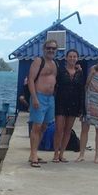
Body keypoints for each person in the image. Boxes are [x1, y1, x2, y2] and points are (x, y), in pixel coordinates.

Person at [27, 39, 58, 167]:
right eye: (48, 48)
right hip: (39, 97)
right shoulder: (38, 61)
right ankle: (34, 155)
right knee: (37, 126)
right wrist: (34, 97)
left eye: (53, 48)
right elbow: (30, 80)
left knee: (44, 127)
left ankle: (33, 154)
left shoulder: (55, 63)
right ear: (44, 49)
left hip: (50, 99)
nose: (51, 50)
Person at [52, 49, 84, 162]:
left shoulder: (80, 73)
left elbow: (81, 90)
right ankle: (55, 153)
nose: (72, 58)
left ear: (77, 58)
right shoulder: (60, 71)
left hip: (74, 104)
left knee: (68, 130)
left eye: (74, 56)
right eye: (70, 56)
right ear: (66, 58)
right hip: (60, 102)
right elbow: (54, 86)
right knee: (59, 129)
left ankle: (62, 154)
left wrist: (81, 108)